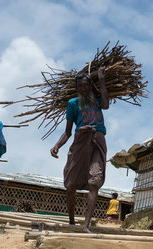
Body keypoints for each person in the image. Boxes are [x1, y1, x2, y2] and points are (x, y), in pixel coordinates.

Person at [50, 67, 109, 233]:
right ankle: (71, 220)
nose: (84, 89)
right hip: (80, 143)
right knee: (70, 184)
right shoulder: (72, 104)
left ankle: (86, 225)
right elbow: (68, 131)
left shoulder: (97, 100)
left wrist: (102, 80)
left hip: (97, 141)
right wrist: (56, 146)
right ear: (77, 88)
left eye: (86, 85)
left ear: (90, 86)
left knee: (94, 182)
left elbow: (106, 104)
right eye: (81, 86)